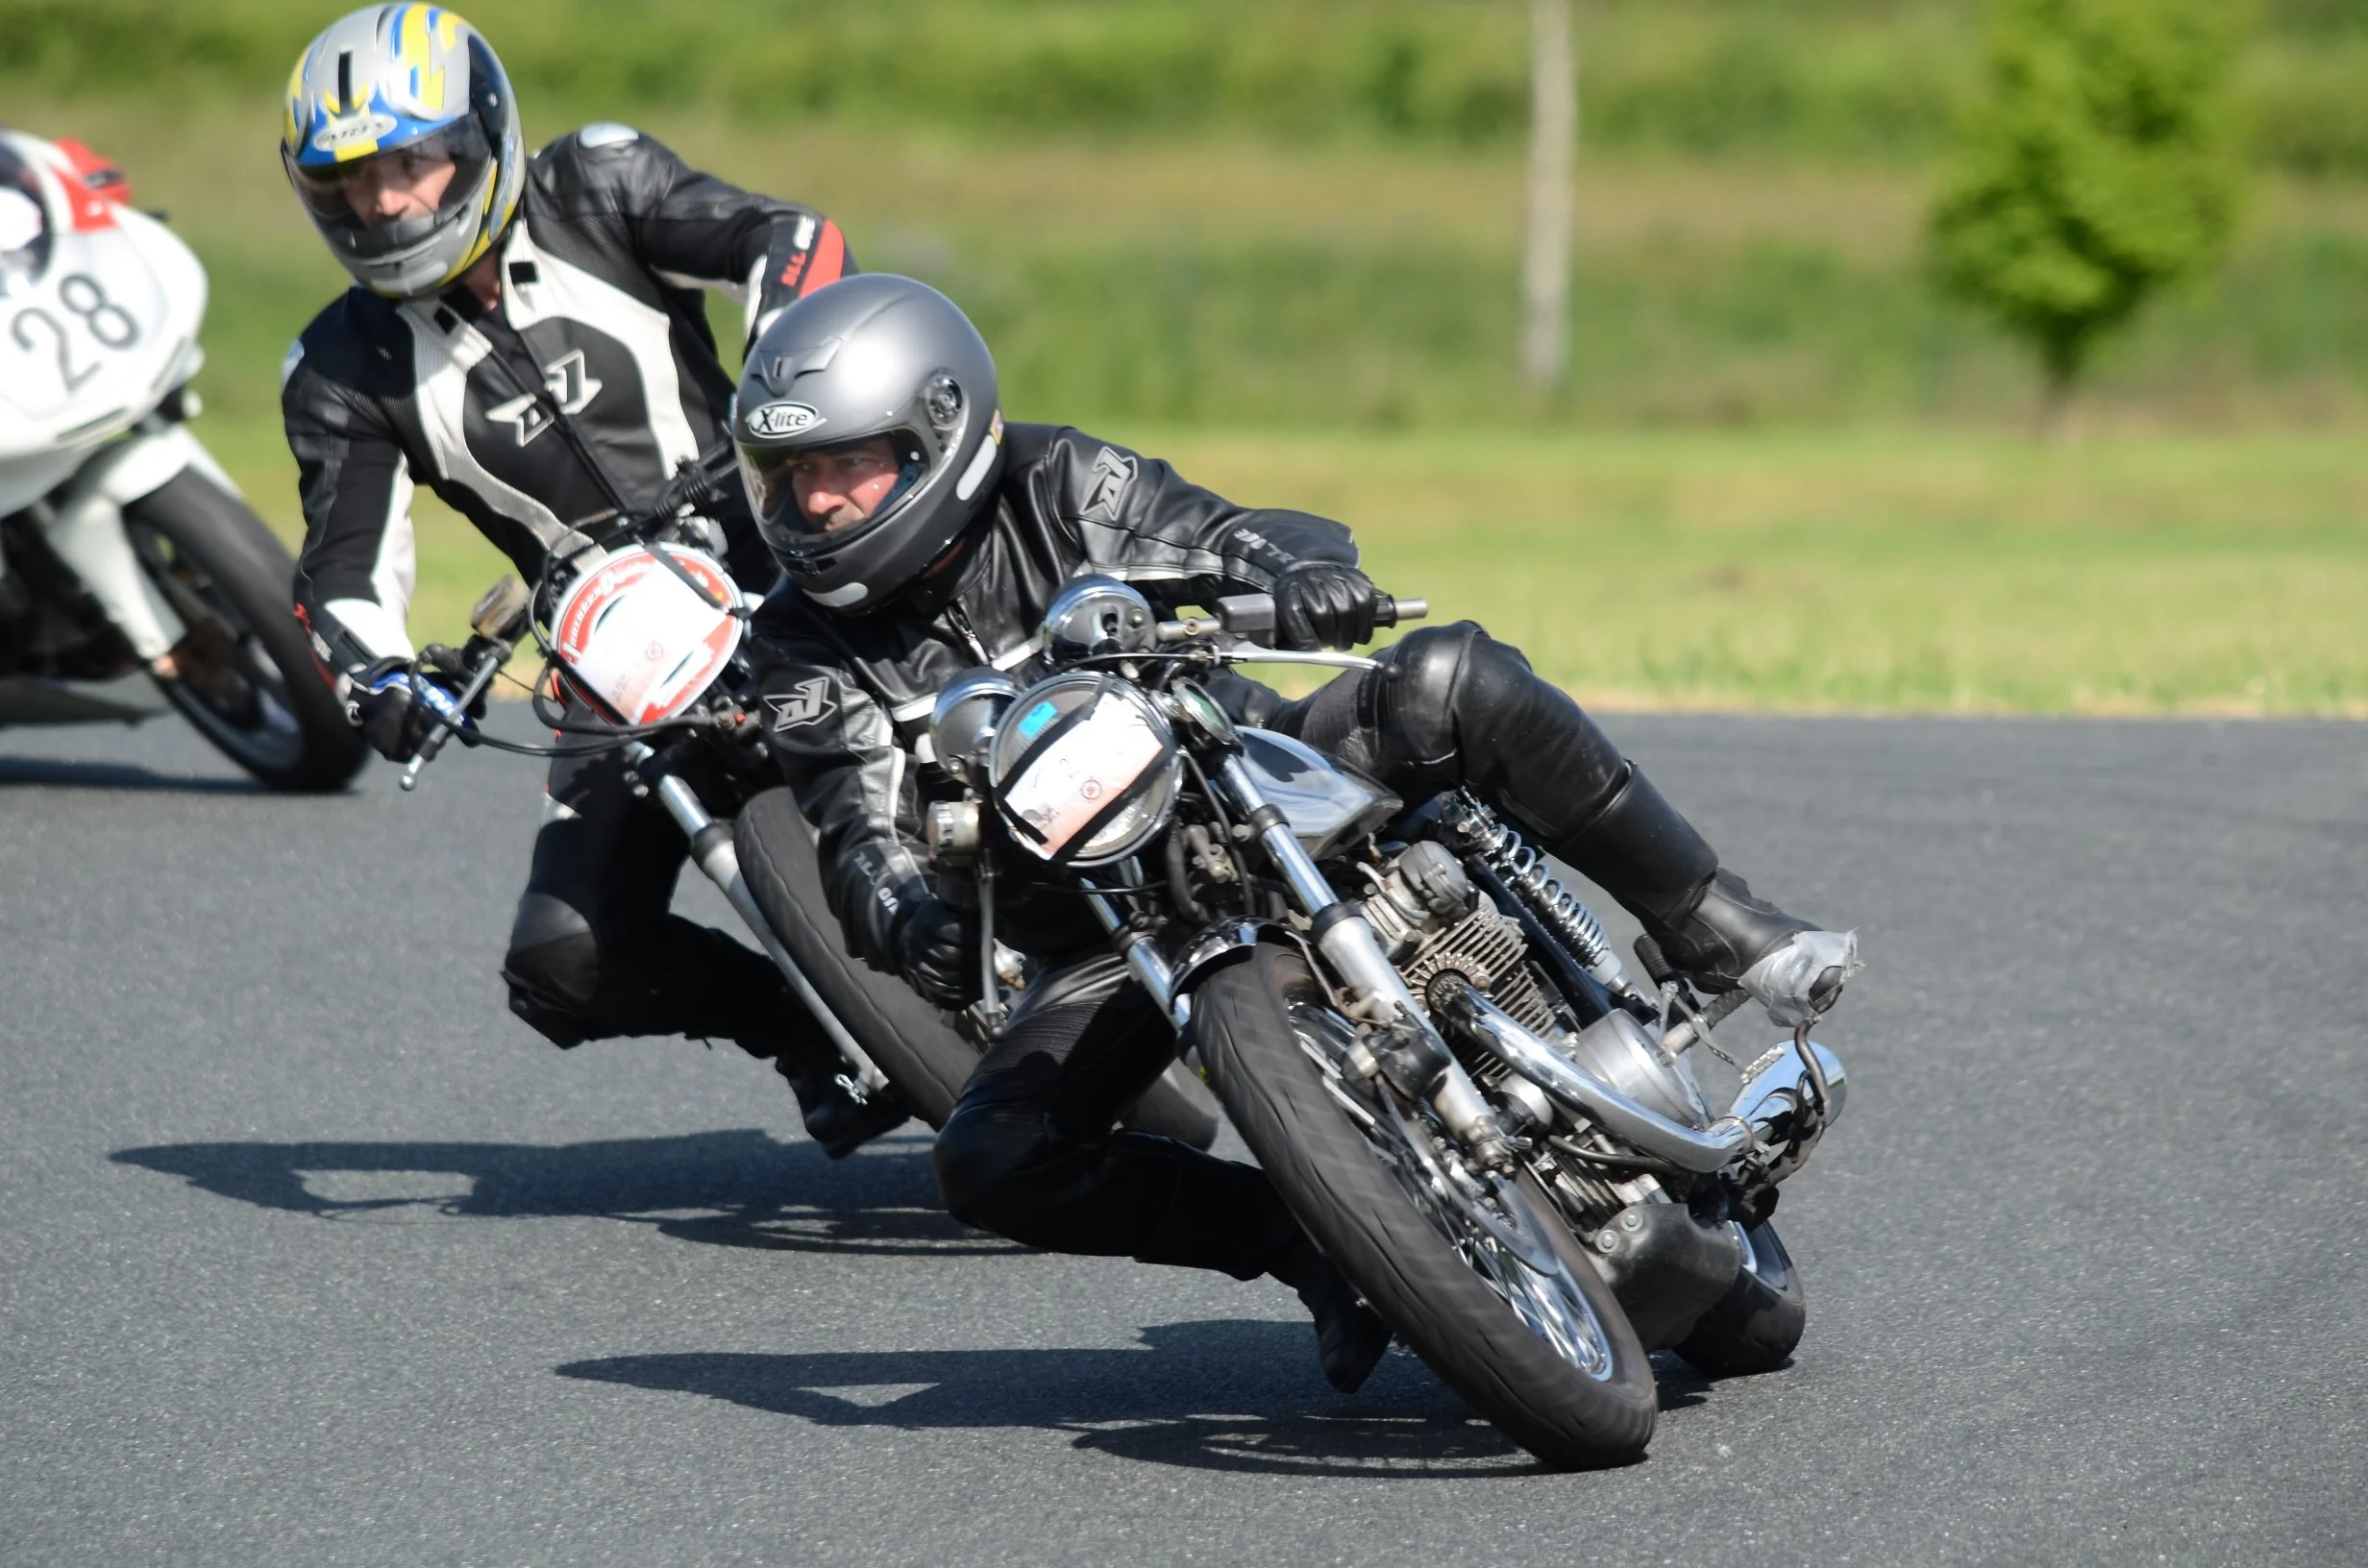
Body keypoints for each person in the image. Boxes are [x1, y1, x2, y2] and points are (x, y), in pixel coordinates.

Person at [733, 274, 1856, 1389]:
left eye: (843, 464)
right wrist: (908, 918)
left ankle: (1713, 922)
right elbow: (853, 829)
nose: (813, 501)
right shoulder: (796, 644)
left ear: (940, 432)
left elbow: (1219, 533)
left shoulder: (1058, 481)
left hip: (1248, 768)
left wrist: (1303, 571)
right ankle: (1310, 1240)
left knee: (1448, 678)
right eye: (788, 475)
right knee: (990, 1159)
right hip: (1097, 922)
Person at [278, 6, 900, 1154]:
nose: (384, 204)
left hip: (784, 550)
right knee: (561, 960)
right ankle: (807, 1029)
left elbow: (790, 237)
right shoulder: (336, 370)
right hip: (610, 655)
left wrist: (784, 361)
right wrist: (380, 681)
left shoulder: (598, 183)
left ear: (481, 136)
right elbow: (341, 573)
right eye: (350, 181)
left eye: (407, 163)